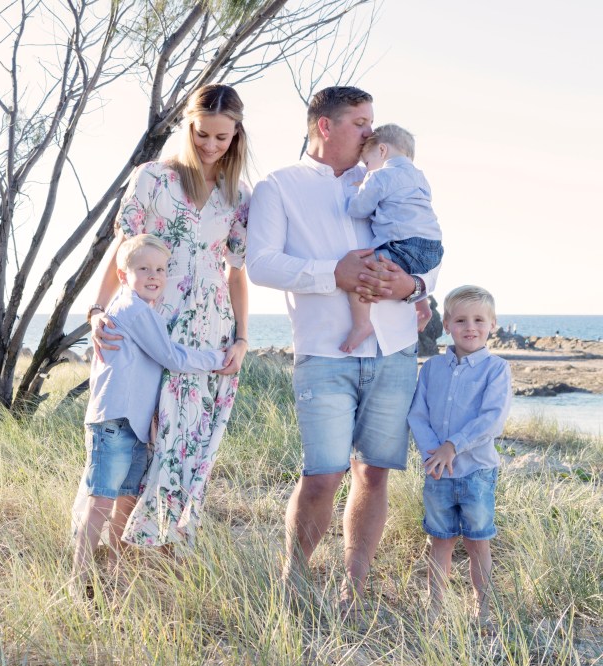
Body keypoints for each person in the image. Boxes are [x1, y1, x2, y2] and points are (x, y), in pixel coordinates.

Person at [245, 86, 438, 613]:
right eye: (360, 122)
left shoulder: (388, 174)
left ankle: (354, 588)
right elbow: (261, 264)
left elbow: (427, 240)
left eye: (372, 122)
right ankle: (292, 582)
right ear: (325, 126)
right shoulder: (278, 187)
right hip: (324, 351)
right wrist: (333, 273)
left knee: (373, 473)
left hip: (394, 348)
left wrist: (416, 287)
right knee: (323, 474)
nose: (371, 132)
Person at [88, 83, 251, 549]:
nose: (211, 145)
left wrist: (242, 338)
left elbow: (235, 273)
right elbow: (123, 248)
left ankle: (157, 549)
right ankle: (111, 550)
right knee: (141, 436)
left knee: (186, 443)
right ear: (188, 126)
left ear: (236, 136)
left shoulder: (239, 196)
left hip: (209, 330)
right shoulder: (152, 179)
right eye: (203, 134)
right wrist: (98, 309)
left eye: (222, 137)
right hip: (151, 323)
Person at [71, 234, 227, 596]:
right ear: (123, 276)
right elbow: (172, 356)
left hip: (134, 427)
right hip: (114, 422)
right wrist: (219, 359)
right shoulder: (133, 309)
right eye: (143, 268)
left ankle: (116, 576)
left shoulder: (143, 310)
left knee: (125, 504)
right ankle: (78, 581)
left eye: (160, 269)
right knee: (101, 503)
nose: (154, 275)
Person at [407, 285, 511, 625]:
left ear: (492, 324)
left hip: (476, 472)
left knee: (478, 542)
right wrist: (434, 454)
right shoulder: (432, 368)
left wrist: (453, 445)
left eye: (479, 320)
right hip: (438, 471)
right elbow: (418, 414)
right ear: (447, 324)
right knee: (440, 541)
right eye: (461, 320)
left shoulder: (496, 369)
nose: (470, 327)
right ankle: (434, 609)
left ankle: (483, 611)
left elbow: (492, 419)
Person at [341, 124, 443, 353]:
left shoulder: (380, 176)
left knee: (359, 272)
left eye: (367, 162)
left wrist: (359, 189)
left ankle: (361, 324)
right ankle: (422, 306)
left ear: (382, 150)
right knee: (407, 270)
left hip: (404, 244)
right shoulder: (420, 177)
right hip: (433, 249)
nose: (366, 169)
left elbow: (358, 209)